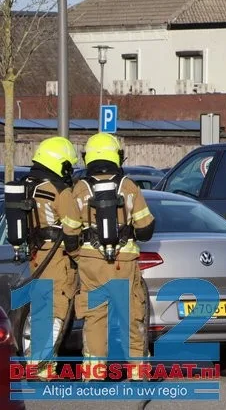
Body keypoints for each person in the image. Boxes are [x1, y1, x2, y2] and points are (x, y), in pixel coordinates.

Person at [72, 133, 155, 380]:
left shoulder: (80, 188)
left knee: (95, 317)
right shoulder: (128, 186)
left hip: (90, 263)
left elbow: (69, 231)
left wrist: (82, 256)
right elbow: (145, 228)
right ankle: (139, 371)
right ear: (115, 156)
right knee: (131, 315)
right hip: (123, 262)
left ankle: (94, 372)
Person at [20, 136, 83, 379]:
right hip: (56, 258)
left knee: (40, 309)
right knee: (56, 309)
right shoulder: (59, 189)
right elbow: (73, 226)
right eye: (68, 165)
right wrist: (81, 257)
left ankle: (36, 365)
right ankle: (42, 367)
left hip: (36, 255)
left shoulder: (28, 184)